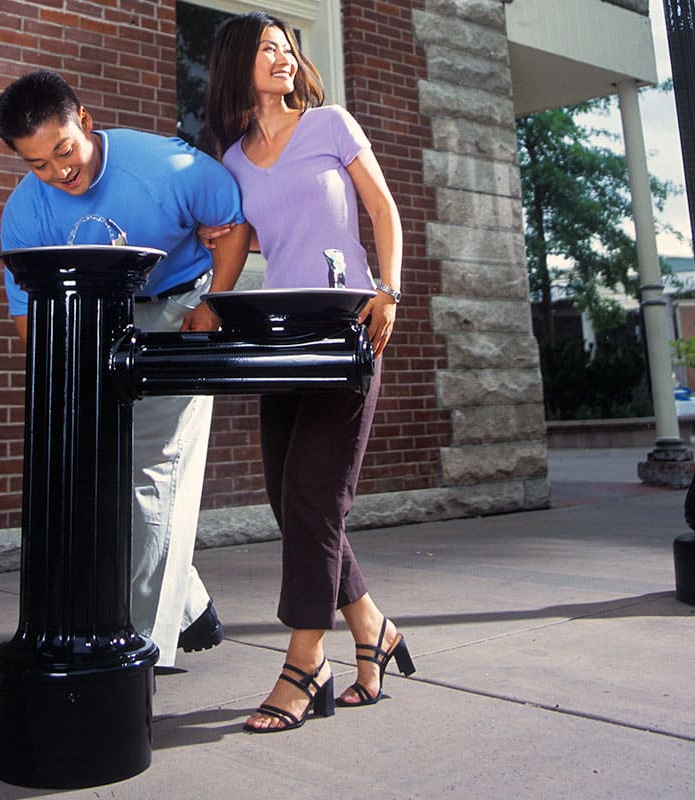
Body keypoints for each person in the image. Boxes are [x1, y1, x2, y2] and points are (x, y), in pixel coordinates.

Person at [199, 12, 415, 733]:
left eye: (288, 49)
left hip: (347, 328)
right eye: (268, 49)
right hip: (278, 337)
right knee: (291, 500)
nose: (283, 59)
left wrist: (389, 289)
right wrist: (210, 300)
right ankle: (374, 630)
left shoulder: (331, 125)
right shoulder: (232, 160)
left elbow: (384, 211)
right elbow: (232, 249)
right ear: (238, 63)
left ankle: (304, 665)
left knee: (316, 497)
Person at [0, 71, 251, 668]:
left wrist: (215, 302)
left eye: (64, 151)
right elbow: (30, 315)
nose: (60, 173)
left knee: (150, 470)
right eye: (38, 165)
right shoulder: (25, 213)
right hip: (93, 320)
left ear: (84, 120)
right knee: (95, 472)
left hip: (179, 306)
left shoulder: (165, 165)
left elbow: (233, 222)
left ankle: (138, 652)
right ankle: (187, 602)